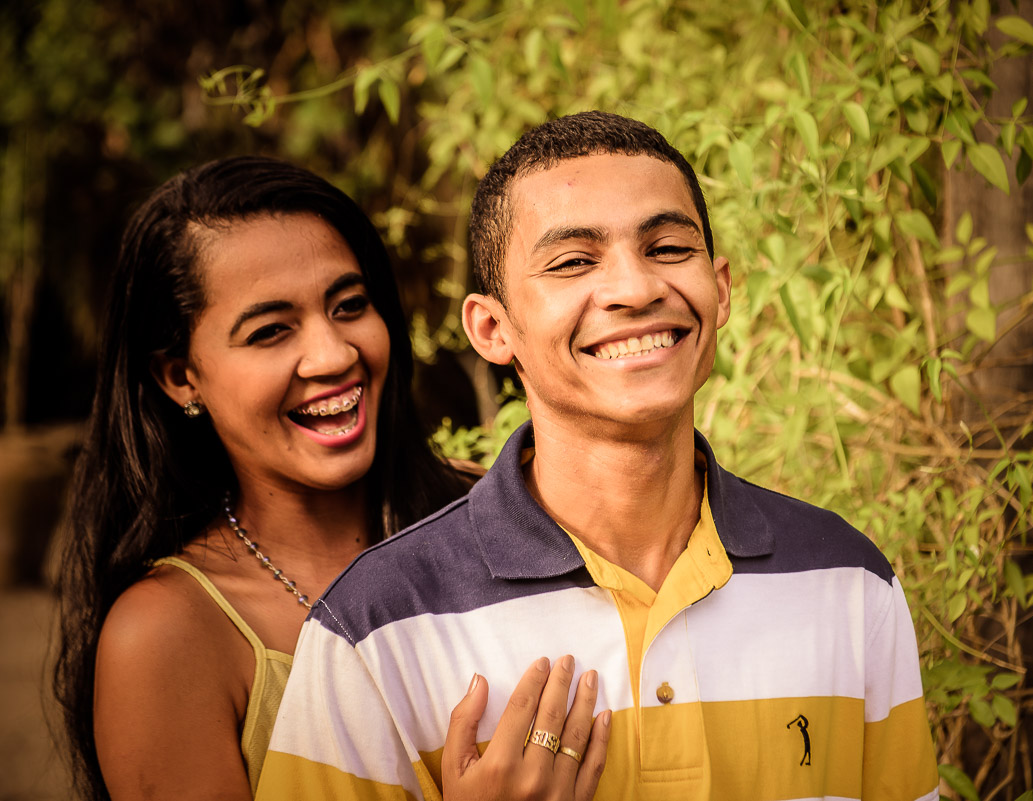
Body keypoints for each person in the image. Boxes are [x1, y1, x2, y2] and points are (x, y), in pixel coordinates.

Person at [257, 112, 939, 800]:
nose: (636, 289)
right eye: (574, 261)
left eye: (669, 248)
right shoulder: (377, 627)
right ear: (493, 328)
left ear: (721, 288)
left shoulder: (850, 583)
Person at [53, 156, 608, 801]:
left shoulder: (500, 508)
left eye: (349, 306)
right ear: (182, 377)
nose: (334, 355)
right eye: (269, 332)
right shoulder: (168, 635)